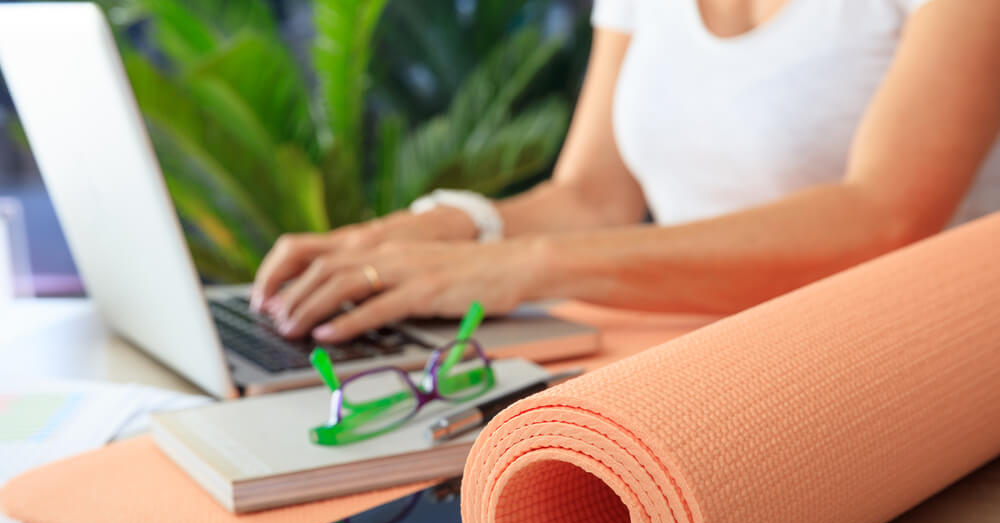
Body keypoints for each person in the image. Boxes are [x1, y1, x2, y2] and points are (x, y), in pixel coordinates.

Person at [251, 0, 1000, 344]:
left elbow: (883, 218)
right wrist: (434, 231)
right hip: (681, 344)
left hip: (892, 356)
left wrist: (523, 266)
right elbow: (593, 196)